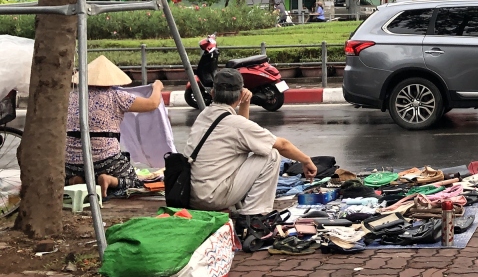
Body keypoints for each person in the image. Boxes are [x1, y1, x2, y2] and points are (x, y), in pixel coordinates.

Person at [188, 68, 317, 218]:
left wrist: (245, 103)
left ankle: (246, 212)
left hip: (193, 195)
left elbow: (243, 133)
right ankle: (254, 214)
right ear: (241, 94)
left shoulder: (204, 115)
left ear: (212, 94)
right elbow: (282, 145)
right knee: (272, 154)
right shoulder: (235, 124)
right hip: (212, 198)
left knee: (257, 148)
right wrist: (307, 160)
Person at [65, 56, 164, 197]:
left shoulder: (72, 97)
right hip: (105, 160)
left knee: (64, 177)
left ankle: (76, 180)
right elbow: (152, 104)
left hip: (71, 161)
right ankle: (109, 180)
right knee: (134, 180)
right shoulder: (117, 96)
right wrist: (157, 87)